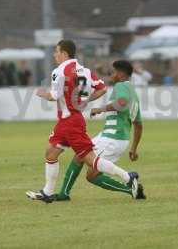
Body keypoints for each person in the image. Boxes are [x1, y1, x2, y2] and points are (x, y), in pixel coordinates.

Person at [26, 40, 141, 203]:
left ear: (65, 54)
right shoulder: (86, 71)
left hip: (70, 122)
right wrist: (85, 101)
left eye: (56, 51)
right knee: (51, 152)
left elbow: (54, 96)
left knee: (90, 160)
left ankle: (127, 177)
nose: (54, 55)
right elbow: (101, 88)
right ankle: (48, 192)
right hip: (69, 121)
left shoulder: (59, 71)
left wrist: (40, 93)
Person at [56, 60, 146, 201]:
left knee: (91, 174)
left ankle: (130, 187)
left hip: (112, 138)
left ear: (121, 74)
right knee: (80, 155)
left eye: (114, 72)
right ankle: (64, 194)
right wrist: (133, 149)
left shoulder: (121, 86)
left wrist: (100, 109)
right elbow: (138, 125)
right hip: (116, 138)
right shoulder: (133, 94)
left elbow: (121, 103)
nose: (112, 75)